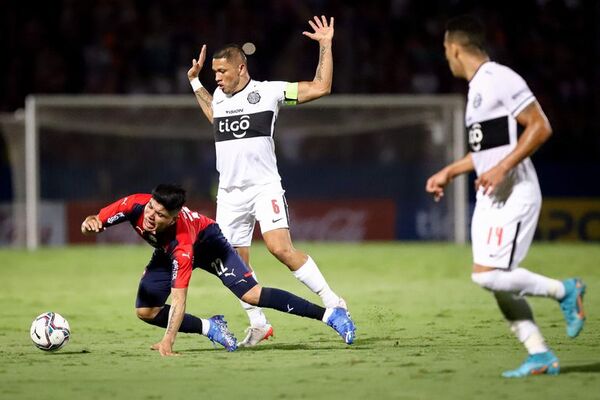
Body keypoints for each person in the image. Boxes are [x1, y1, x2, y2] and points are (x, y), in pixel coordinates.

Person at [425, 15, 586, 378]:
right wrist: (450, 171)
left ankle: (566, 290)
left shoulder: (500, 78)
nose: (446, 58)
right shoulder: (477, 89)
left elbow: (540, 126)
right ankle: (539, 354)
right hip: (490, 196)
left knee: (490, 276)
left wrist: (502, 168)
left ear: (454, 48)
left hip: (515, 192)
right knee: (494, 280)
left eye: (446, 51)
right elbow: (488, 152)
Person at [186, 15, 349, 346]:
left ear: (241, 69)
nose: (216, 78)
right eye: (213, 73)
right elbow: (214, 115)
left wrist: (326, 46)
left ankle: (334, 303)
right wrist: (195, 83)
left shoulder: (270, 92)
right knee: (233, 267)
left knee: (280, 249)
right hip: (230, 194)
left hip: (264, 188)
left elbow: (321, 87)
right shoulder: (218, 96)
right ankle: (258, 323)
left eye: (222, 72)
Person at [80, 184, 356, 356]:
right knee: (146, 311)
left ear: (174, 217)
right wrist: (90, 222)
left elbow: (178, 299)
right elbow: (97, 218)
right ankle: (211, 327)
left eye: (161, 215)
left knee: (251, 295)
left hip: (208, 243)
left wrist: (168, 341)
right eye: (152, 209)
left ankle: (331, 315)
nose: (152, 216)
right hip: (166, 253)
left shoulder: (183, 244)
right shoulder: (135, 204)